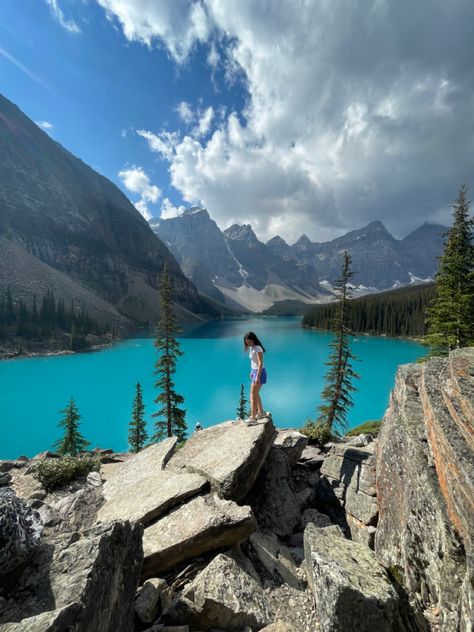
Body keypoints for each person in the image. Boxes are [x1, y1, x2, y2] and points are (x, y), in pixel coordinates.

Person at [243, 331, 268, 426]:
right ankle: (261, 413)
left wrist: (257, 376)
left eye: (249, 341)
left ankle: (253, 418)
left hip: (259, 372)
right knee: (255, 394)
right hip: (255, 371)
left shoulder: (258, 348)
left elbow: (261, 363)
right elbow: (254, 362)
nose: (248, 343)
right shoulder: (252, 348)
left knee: (252, 395)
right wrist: (251, 372)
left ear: (253, 340)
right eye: (246, 342)